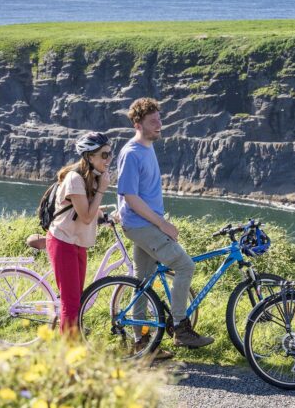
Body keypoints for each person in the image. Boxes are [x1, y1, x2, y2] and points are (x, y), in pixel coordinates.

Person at [116, 97, 214, 355]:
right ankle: (181, 328)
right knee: (184, 265)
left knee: (142, 283)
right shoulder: (132, 152)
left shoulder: (147, 147)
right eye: (152, 121)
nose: (159, 124)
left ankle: (142, 344)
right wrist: (162, 224)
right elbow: (130, 196)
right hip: (141, 225)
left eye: (159, 119)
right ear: (138, 124)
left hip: (143, 224)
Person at [44, 131, 113, 334]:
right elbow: (85, 216)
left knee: (76, 299)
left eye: (110, 154)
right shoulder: (75, 179)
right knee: (71, 302)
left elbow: (91, 210)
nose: (108, 159)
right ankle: (68, 357)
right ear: (89, 156)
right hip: (63, 242)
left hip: (77, 243)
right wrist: (102, 190)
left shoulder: (90, 177)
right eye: (104, 155)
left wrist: (108, 216)